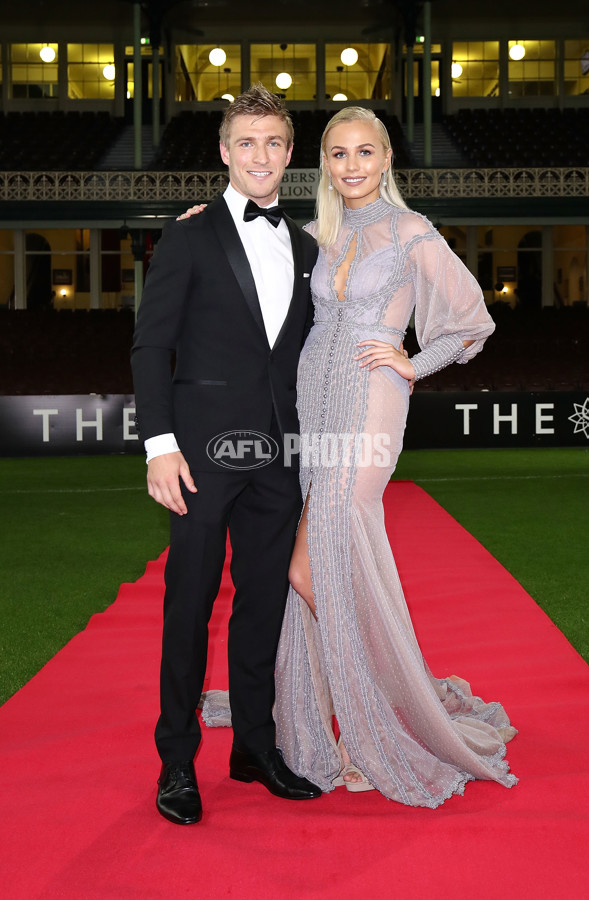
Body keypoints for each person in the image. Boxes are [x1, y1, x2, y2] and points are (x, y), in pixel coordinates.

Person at [271, 106, 518, 804]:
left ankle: (375, 715)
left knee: (325, 543)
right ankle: (338, 710)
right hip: (313, 389)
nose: (352, 166)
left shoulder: (412, 232)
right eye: (339, 154)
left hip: (373, 389)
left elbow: (473, 319)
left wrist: (415, 361)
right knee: (317, 551)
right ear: (327, 164)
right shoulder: (315, 233)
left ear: (386, 160)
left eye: (365, 152)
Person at [131, 83, 322, 826]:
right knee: (188, 607)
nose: (261, 155)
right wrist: (158, 446)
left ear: (289, 154)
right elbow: (153, 345)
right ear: (224, 151)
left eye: (273, 142)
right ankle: (177, 760)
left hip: (280, 459)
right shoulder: (188, 234)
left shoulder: (304, 246)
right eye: (247, 142)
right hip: (201, 458)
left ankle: (254, 746)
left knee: (263, 607)